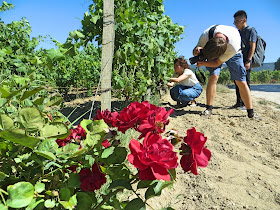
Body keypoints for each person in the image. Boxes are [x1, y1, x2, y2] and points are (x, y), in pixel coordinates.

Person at [193, 25, 260, 119]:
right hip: (215, 48)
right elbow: (195, 51)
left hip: (235, 54)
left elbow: (216, 62)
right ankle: (208, 109)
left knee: (241, 81)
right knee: (213, 77)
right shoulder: (206, 36)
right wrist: (197, 51)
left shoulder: (233, 46)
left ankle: (251, 112)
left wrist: (204, 63)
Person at [232, 10, 257, 110]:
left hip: (246, 60)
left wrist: (248, 61)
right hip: (238, 60)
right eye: (235, 22)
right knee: (237, 81)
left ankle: (245, 105)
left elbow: (252, 46)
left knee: (245, 82)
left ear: (244, 20)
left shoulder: (251, 30)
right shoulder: (237, 32)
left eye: (237, 21)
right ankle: (238, 102)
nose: (236, 24)